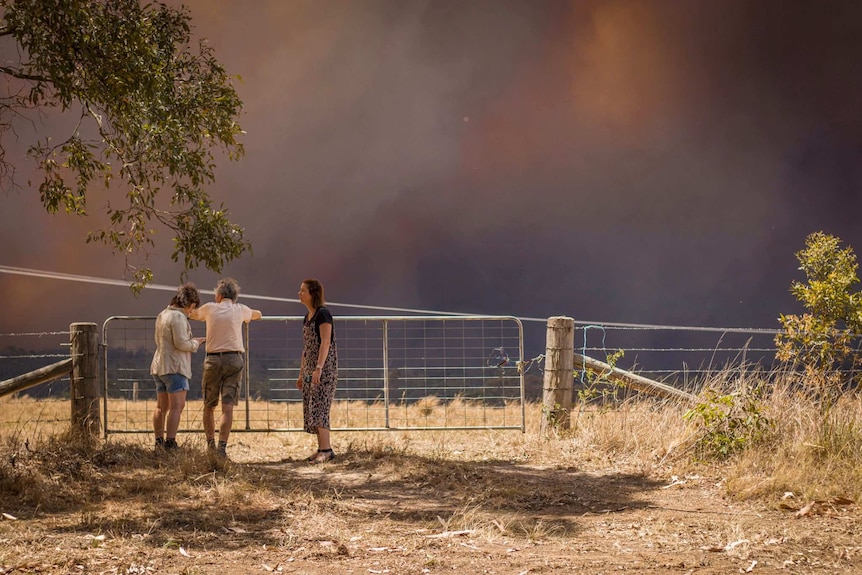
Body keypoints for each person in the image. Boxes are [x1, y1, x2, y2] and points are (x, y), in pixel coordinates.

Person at [190, 278, 262, 458]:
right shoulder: (240, 309)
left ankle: (210, 445)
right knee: (227, 406)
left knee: (209, 405)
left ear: (219, 295)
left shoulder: (209, 308)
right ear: (234, 297)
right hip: (234, 359)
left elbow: (192, 314)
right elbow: (258, 314)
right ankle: (222, 448)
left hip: (213, 360)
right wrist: (250, 316)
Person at [151, 284, 205, 450]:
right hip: (174, 367)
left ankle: (158, 441)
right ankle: (170, 442)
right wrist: (196, 342)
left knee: (161, 407)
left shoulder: (163, 314)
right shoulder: (179, 317)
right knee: (177, 407)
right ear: (191, 304)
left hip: (159, 365)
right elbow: (181, 343)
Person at [296, 278, 338, 464]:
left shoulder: (323, 314)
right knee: (313, 406)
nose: (299, 293)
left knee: (321, 406)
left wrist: (319, 368)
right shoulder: (307, 317)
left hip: (324, 368)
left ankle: (327, 450)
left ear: (312, 294)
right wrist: (301, 373)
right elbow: (306, 348)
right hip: (311, 368)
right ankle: (321, 448)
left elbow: (325, 342)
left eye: (303, 290)